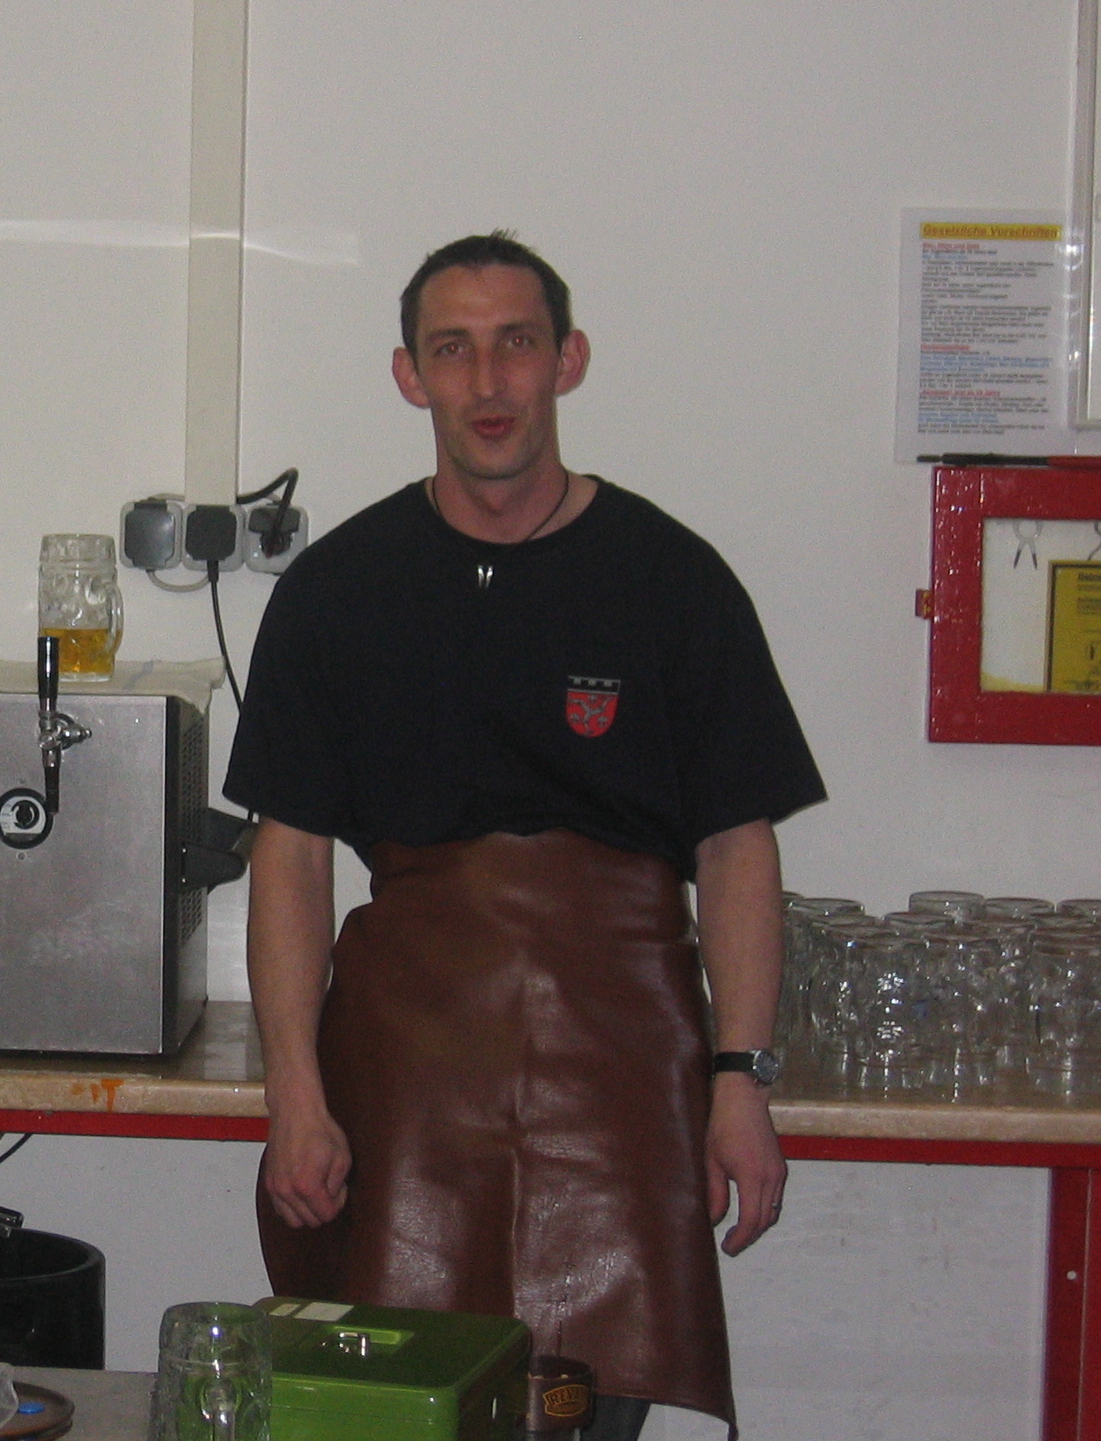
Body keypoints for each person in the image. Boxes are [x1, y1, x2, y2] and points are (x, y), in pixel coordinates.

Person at [225, 232, 824, 1440]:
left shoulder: (672, 579)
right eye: (452, 351)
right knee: (398, 1409)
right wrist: (294, 1090)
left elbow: (735, 848)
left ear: (568, 360)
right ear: (409, 376)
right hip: (404, 1068)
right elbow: (289, 854)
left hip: (623, 1062)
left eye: (516, 344)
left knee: (582, 1408)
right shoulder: (339, 588)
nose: (487, 382)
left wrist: (739, 1081)